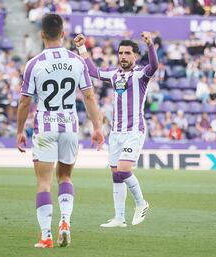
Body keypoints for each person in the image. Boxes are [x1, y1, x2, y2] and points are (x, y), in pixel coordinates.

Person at [16, 14, 104, 248]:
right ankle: (65, 222)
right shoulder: (77, 61)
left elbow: (25, 102)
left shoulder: (34, 63)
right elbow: (89, 96)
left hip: (45, 126)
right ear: (63, 33)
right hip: (70, 126)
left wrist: (19, 131)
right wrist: (97, 127)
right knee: (65, 177)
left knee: (43, 183)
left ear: (42, 34)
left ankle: (46, 235)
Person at [74, 31, 158, 227]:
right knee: (116, 174)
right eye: (121, 53)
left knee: (123, 169)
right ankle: (119, 218)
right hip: (116, 132)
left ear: (135, 56)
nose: (123, 56)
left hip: (133, 131)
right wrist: (81, 48)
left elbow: (154, 66)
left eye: (128, 53)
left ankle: (141, 203)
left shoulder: (140, 75)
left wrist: (151, 46)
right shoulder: (114, 75)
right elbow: (93, 71)